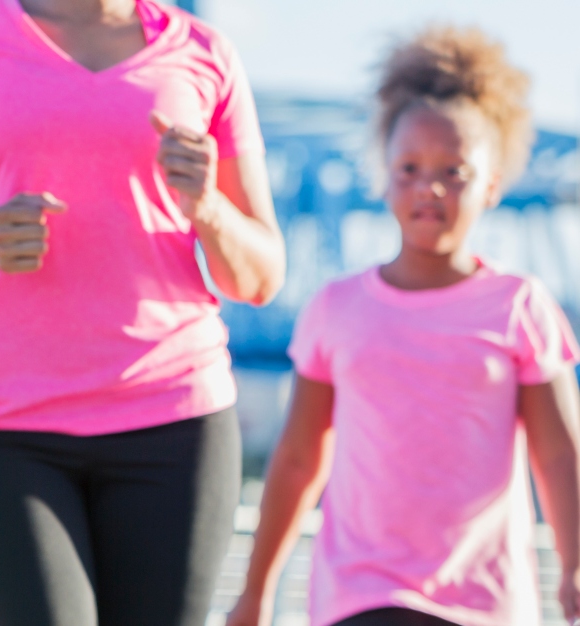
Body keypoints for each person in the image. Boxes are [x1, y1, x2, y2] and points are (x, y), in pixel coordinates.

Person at [0, 0, 285, 623]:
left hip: (175, 417)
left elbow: (260, 277)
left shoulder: (205, 53)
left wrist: (208, 207)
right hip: (2, 424)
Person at [226, 26, 580, 626]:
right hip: (360, 598)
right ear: (383, 178)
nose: (430, 188)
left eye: (454, 171)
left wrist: (572, 566)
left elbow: (556, 453)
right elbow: (298, 459)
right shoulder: (335, 309)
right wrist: (256, 592)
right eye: (409, 168)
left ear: (492, 185)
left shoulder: (520, 306)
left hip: (485, 603)